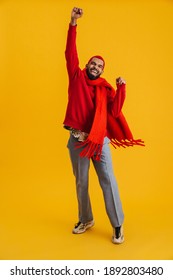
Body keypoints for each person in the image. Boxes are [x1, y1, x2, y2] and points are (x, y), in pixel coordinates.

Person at [63, 7, 143, 244]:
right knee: (81, 181)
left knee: (107, 179)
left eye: (99, 66)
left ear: (102, 71)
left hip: (99, 140)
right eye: (93, 64)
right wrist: (73, 23)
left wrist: (122, 89)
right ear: (87, 64)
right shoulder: (76, 76)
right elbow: (70, 52)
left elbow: (115, 112)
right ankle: (85, 219)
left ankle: (117, 225)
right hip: (77, 139)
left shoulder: (104, 89)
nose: (95, 67)